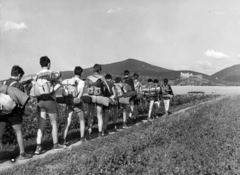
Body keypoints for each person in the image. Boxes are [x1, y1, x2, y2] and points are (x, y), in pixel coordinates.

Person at [34, 56, 66, 155]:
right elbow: (59, 83)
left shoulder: (37, 75)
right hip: (50, 100)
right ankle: (55, 144)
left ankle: (38, 148)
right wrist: (52, 90)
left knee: (41, 124)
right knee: (53, 123)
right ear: (48, 64)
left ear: (41, 64)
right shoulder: (52, 73)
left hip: (40, 101)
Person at [0, 65, 32, 160]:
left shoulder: (4, 83)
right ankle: (22, 154)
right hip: (14, 113)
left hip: (2, 112)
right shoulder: (19, 85)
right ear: (18, 75)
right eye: (21, 76)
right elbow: (21, 101)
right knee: (18, 132)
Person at [62, 66, 86, 145]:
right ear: (81, 73)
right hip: (77, 102)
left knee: (67, 121)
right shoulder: (81, 82)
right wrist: (77, 101)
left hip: (69, 102)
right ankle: (82, 139)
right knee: (82, 120)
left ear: (74, 72)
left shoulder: (69, 81)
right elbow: (81, 93)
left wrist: (71, 101)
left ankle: (63, 140)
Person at [86, 64, 110, 138]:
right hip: (99, 97)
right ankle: (100, 133)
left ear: (93, 70)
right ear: (99, 70)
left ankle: (89, 132)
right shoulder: (101, 77)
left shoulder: (88, 77)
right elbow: (107, 88)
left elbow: (87, 87)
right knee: (99, 115)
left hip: (91, 97)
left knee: (90, 116)